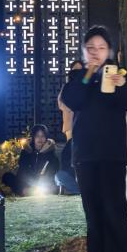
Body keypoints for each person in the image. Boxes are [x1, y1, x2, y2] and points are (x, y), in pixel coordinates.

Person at [61, 25, 127, 252]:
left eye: (101, 48)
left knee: (114, 207)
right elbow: (72, 100)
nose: (95, 52)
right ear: (84, 50)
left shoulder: (118, 74)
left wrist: (122, 84)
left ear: (109, 51)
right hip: (85, 153)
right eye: (91, 48)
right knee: (92, 208)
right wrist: (88, 72)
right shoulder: (78, 76)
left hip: (112, 153)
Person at [2, 124, 59, 196]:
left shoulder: (50, 153)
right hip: (27, 181)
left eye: (42, 136)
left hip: (43, 181)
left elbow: (52, 170)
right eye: (37, 136)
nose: (40, 139)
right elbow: (23, 170)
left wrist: (41, 154)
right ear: (33, 137)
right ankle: (27, 191)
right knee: (7, 177)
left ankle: (28, 192)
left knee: (53, 186)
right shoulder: (26, 151)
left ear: (46, 138)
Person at [55, 60, 82, 195]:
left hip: (81, 124)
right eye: (75, 70)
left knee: (77, 152)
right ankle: (71, 181)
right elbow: (61, 103)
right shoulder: (67, 86)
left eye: (80, 69)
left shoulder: (85, 85)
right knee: (71, 151)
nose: (77, 72)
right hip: (70, 124)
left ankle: (77, 182)